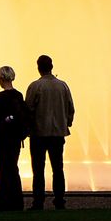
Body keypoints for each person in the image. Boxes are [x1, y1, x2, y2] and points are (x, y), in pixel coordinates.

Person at [25, 55, 75, 211]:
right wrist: (66, 123)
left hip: (39, 134)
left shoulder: (35, 86)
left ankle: (38, 202)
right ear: (52, 66)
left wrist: (28, 127)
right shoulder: (63, 86)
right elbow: (71, 109)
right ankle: (59, 200)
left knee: (38, 170)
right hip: (58, 134)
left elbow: (28, 110)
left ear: (38, 67)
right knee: (58, 169)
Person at [0, 65, 28, 212]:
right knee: (13, 168)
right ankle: (17, 202)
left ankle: (4, 202)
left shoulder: (0, 97)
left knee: (2, 170)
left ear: (1, 78)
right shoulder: (18, 95)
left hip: (1, 137)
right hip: (14, 138)